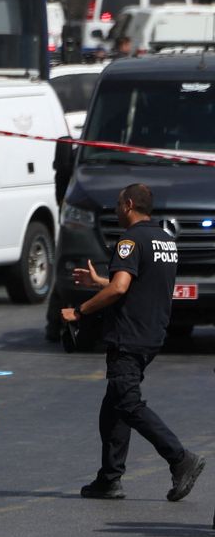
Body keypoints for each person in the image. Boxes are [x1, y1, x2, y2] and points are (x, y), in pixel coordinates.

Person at [61, 183, 204, 501]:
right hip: (152, 333)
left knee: (127, 403)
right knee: (113, 407)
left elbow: (120, 288)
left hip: (129, 336)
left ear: (128, 205)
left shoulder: (130, 240)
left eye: (117, 204)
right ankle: (109, 478)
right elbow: (138, 283)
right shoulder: (165, 240)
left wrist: (79, 311)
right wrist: (100, 282)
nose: (115, 210)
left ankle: (181, 459)